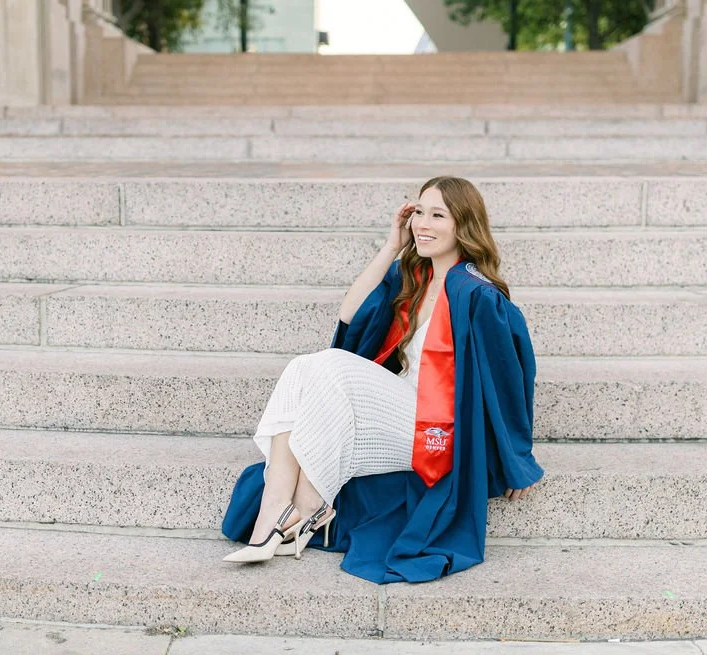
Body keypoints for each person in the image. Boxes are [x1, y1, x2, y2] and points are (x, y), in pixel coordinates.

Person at [221, 175, 544, 584]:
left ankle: (296, 513)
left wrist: (517, 462)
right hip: (395, 413)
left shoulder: (479, 296)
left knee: (329, 366)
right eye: (419, 213)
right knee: (306, 367)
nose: (423, 224)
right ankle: (281, 513)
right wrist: (392, 245)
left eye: (438, 215)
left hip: (437, 427)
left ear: (464, 224)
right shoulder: (413, 277)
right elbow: (351, 314)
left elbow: (508, 383)